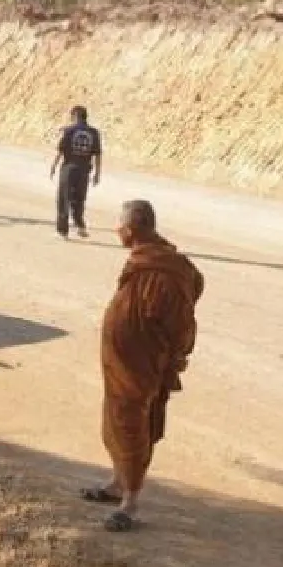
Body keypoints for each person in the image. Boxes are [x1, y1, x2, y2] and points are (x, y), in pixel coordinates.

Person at [84, 200, 204, 532]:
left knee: (132, 426)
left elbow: (179, 322)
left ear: (132, 229)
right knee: (116, 421)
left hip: (143, 366)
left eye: (119, 227)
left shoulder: (164, 270)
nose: (116, 232)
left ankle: (130, 503)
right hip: (123, 365)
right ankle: (117, 483)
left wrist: (173, 357)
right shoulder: (147, 259)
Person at [49, 105, 103, 239]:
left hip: (68, 168)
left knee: (63, 199)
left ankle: (62, 231)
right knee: (79, 198)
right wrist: (97, 173)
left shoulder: (69, 131)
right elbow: (98, 154)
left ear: (74, 116)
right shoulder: (94, 132)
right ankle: (80, 226)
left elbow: (60, 151)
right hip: (84, 170)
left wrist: (53, 166)